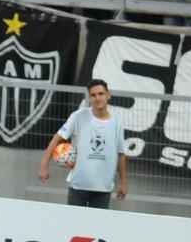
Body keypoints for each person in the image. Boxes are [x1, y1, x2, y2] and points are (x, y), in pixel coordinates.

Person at [39, 79, 128, 208]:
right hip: (78, 186)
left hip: (103, 188)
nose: (97, 98)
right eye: (93, 95)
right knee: (74, 227)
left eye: (101, 94)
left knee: (96, 228)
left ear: (108, 95)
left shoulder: (117, 123)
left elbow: (121, 154)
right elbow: (57, 138)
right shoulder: (78, 116)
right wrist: (43, 165)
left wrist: (123, 183)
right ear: (89, 98)